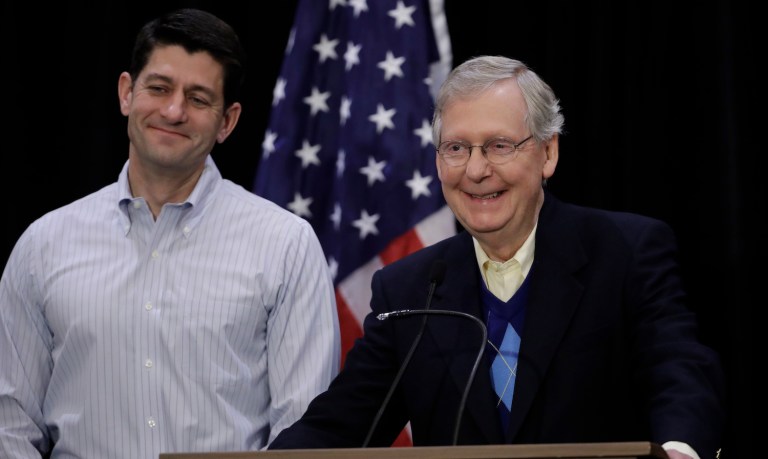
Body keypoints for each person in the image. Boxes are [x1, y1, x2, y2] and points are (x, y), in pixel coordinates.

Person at [268, 56, 725, 459]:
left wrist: (679, 451)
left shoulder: (626, 251)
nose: (476, 169)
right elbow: (341, 424)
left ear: (548, 152)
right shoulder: (410, 288)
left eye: (499, 145)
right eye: (456, 148)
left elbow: (678, 371)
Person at [0, 8, 340, 458]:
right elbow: (10, 423)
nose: (174, 110)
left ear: (228, 121)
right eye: (158, 88)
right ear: (126, 92)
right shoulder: (43, 245)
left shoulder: (286, 246)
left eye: (198, 99)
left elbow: (302, 431)